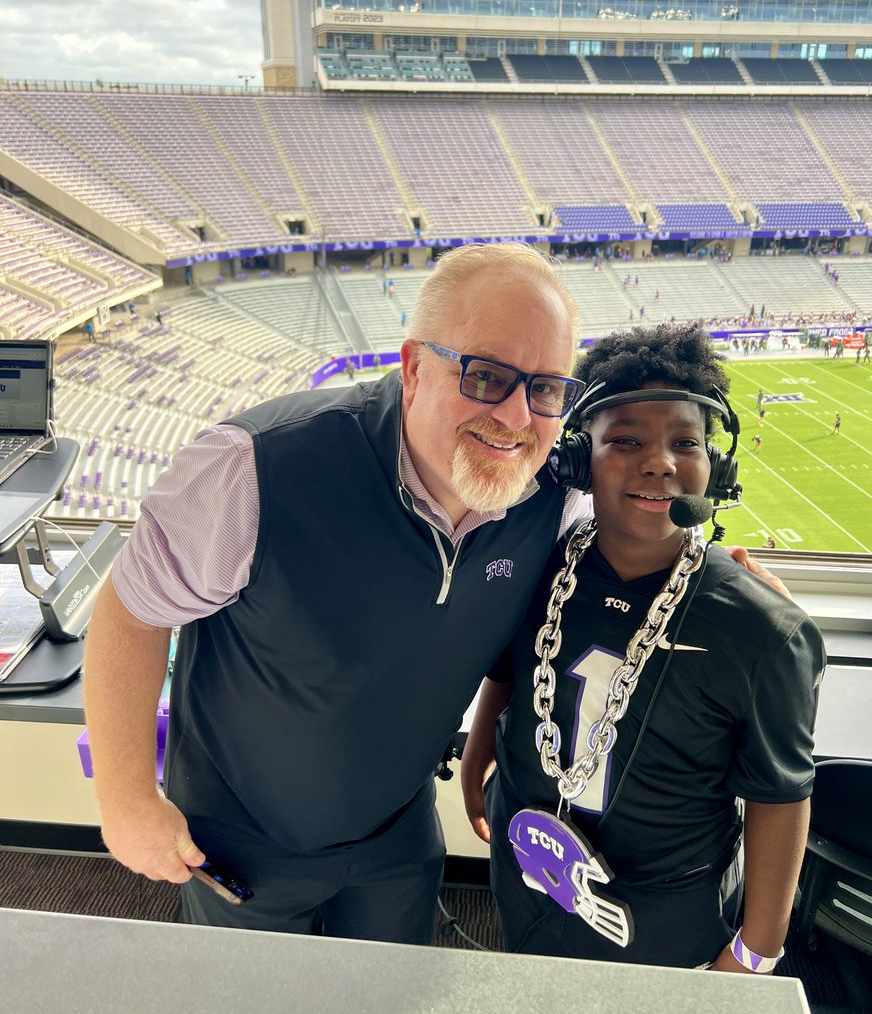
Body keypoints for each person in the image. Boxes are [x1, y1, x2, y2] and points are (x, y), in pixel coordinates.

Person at [81, 243, 590, 946]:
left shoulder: (556, 498)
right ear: (414, 368)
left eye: (545, 388)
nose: (515, 416)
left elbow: (636, 557)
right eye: (486, 376)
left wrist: (726, 583)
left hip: (397, 827)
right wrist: (127, 798)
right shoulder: (255, 468)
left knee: (382, 1012)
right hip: (241, 828)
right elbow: (131, 612)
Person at [461, 323, 824, 973]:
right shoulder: (531, 570)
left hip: (662, 908)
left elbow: (781, 797)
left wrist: (756, 949)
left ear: (719, 467)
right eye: (625, 440)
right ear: (577, 460)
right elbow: (510, 676)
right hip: (526, 866)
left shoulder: (764, 631)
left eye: (685, 442)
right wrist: (476, 758)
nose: (659, 462)